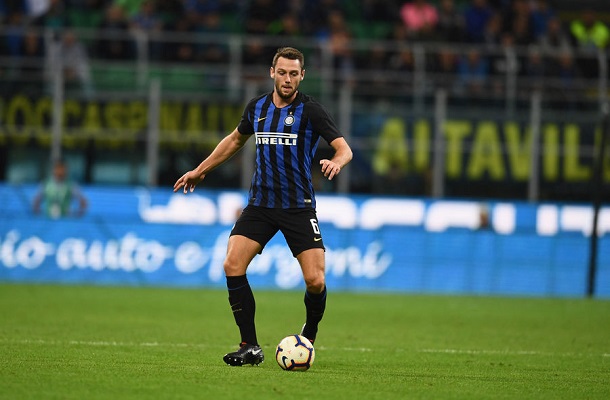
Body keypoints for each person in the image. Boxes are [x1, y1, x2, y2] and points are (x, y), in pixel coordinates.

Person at [173, 47, 352, 367]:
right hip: (260, 204)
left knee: (315, 281)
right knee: (232, 264)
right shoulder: (257, 107)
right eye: (282, 72)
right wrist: (200, 170)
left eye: (293, 74)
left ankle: (309, 334)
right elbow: (234, 140)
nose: (287, 79)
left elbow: (344, 148)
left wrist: (336, 162)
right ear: (272, 72)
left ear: (302, 76)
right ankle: (250, 346)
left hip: (298, 206)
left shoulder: (311, 110)